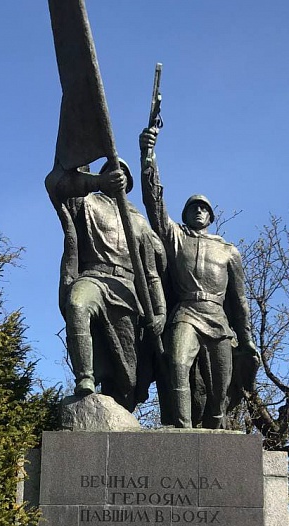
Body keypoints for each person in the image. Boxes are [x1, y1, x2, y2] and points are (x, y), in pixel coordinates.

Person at [139, 126, 259, 428]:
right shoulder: (175, 236)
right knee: (178, 364)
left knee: (221, 385)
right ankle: (181, 429)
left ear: (211, 216)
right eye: (193, 207)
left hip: (218, 319)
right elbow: (154, 203)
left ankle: (215, 427)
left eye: (204, 208)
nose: (198, 211)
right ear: (185, 213)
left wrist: (246, 339)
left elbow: (240, 300)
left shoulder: (228, 251)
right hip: (186, 313)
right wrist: (148, 156)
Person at [46, 159, 166, 410]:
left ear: (128, 182)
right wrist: (95, 182)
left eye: (121, 172)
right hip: (93, 277)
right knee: (77, 304)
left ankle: (121, 415)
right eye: (111, 171)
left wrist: (160, 311)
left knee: (128, 379)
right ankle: (85, 378)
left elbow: (152, 274)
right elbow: (56, 184)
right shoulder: (86, 202)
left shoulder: (139, 222)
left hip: (126, 290)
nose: (116, 175)